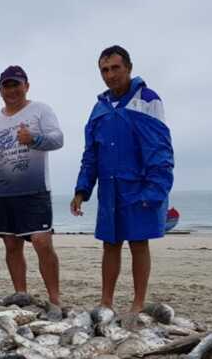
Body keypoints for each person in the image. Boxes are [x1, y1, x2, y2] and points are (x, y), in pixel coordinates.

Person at [71, 45, 174, 317]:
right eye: (105, 70)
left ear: (128, 68)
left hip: (139, 185)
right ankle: (106, 301)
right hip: (110, 188)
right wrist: (82, 189)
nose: (110, 75)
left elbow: (160, 149)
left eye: (115, 68)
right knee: (110, 244)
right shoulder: (98, 109)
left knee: (138, 243)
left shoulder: (148, 99)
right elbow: (90, 154)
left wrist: (156, 190)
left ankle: (138, 303)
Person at [0, 66, 65, 314]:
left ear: (26, 86)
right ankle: (21, 294)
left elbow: (58, 139)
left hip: (34, 190)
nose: (12, 90)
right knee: (11, 245)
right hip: (2, 194)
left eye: (16, 85)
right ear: (0, 90)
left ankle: (55, 298)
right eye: (7, 86)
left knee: (42, 243)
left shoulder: (40, 110)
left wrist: (34, 139)